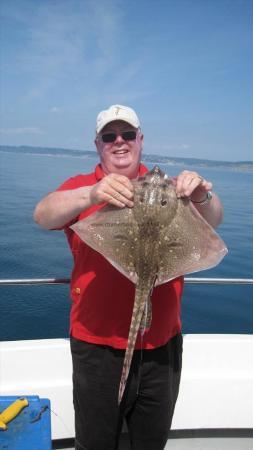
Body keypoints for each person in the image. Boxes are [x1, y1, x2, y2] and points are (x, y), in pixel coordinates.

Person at [34, 105, 223, 450]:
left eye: (127, 135)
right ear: (98, 144)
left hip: (160, 346)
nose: (119, 142)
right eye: (110, 136)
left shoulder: (173, 190)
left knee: (151, 442)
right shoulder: (83, 186)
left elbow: (215, 219)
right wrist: (92, 194)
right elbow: (43, 215)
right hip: (97, 347)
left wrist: (201, 195)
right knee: (96, 442)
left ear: (140, 140)